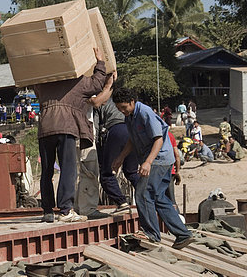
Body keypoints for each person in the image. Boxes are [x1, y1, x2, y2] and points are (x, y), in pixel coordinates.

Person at [112, 87, 194, 249]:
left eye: (124, 107)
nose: (122, 111)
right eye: (119, 108)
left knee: (143, 193)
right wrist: (120, 157)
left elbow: (158, 139)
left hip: (160, 159)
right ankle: (183, 235)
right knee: (159, 197)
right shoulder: (129, 117)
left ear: (132, 102)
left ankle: (151, 234)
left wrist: (148, 162)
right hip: (157, 159)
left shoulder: (145, 113)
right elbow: (132, 140)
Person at [34, 48, 107, 223]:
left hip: (45, 127)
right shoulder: (76, 80)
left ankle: (47, 211)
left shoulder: (43, 81)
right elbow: (97, 85)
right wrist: (100, 62)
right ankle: (66, 210)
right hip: (65, 127)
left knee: (46, 170)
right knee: (68, 169)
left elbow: (37, 92)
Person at [90, 76, 139, 215]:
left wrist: (100, 150)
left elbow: (97, 128)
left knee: (106, 174)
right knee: (131, 172)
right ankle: (148, 196)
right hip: (132, 132)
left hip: (116, 131)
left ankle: (122, 203)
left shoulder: (101, 100)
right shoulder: (124, 100)